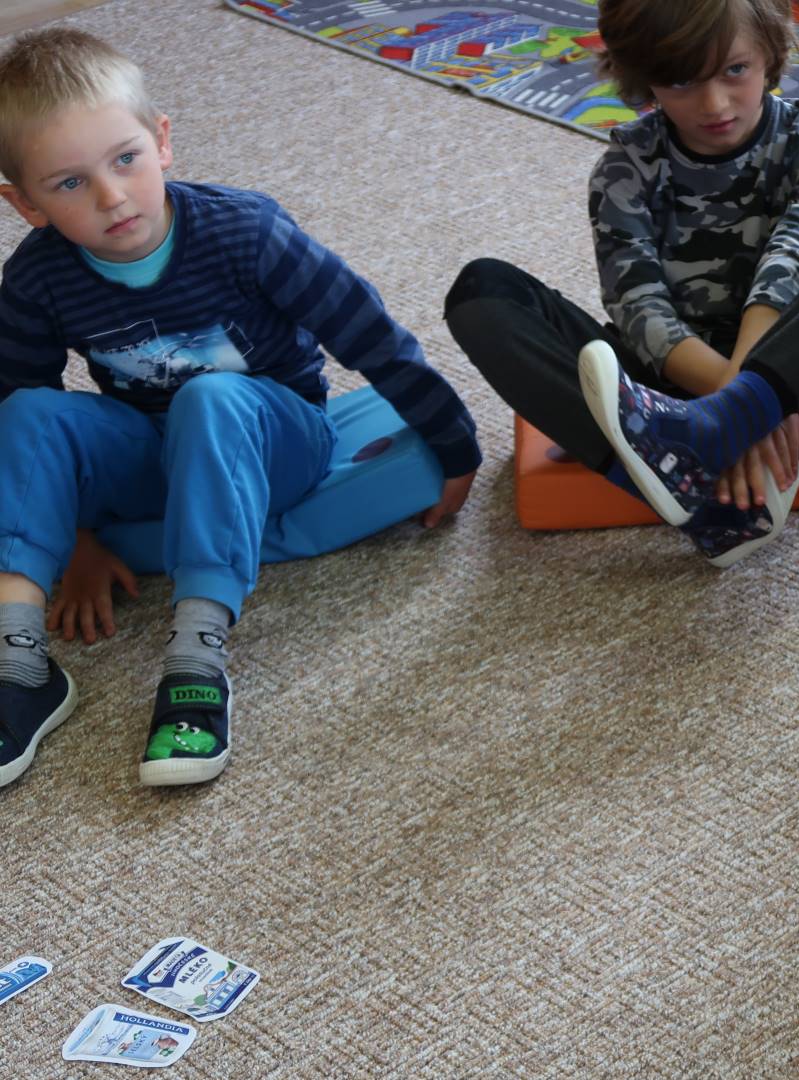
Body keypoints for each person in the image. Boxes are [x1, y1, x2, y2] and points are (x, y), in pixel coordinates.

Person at [0, 29, 480, 788]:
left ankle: (196, 660)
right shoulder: (37, 278)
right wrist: (79, 544)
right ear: (25, 203)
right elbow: (26, 415)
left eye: (125, 159)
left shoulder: (244, 232)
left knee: (211, 396)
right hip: (153, 450)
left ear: (162, 142)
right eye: (69, 183)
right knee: (24, 412)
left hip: (279, 440)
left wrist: (453, 445)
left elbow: (367, 332)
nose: (111, 196)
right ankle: (19, 667)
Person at [443, 0, 799, 567]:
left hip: (797, 394)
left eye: (735, 70)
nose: (714, 104)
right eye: (680, 80)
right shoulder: (625, 165)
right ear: (643, 76)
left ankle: (691, 453)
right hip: (658, 406)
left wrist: (748, 407)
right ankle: (698, 487)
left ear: (770, 53)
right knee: (482, 291)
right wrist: (730, 410)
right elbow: (639, 307)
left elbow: (786, 269)